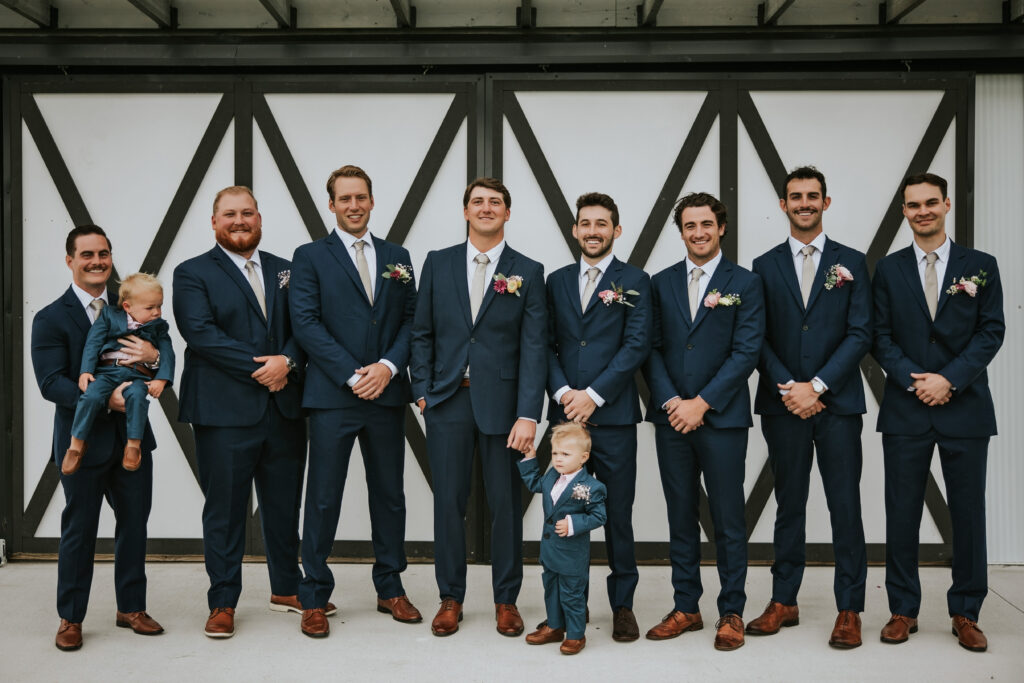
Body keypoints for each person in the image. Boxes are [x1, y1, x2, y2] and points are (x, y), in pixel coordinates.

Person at [173, 186, 313, 639]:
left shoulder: (287, 269)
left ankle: (287, 589)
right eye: (230, 214)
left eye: (247, 213)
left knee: (283, 505)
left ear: (259, 218)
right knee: (226, 510)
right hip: (223, 411)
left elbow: (306, 325)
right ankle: (222, 601)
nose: (240, 221)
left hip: (285, 409)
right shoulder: (191, 272)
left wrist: (287, 362)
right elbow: (201, 334)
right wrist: (266, 368)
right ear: (214, 222)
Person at [873, 172, 1004, 653]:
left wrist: (949, 379)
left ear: (947, 205)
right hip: (906, 410)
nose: (922, 211)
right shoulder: (887, 270)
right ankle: (902, 609)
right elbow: (879, 337)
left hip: (965, 407)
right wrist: (916, 381)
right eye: (913, 205)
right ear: (904, 212)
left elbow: (991, 331)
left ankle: (966, 611)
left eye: (931, 202)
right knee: (901, 513)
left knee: (968, 514)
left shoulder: (981, 266)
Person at [410, 177, 546, 638]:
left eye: (495, 203)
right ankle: (451, 597)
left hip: (505, 407)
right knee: (448, 502)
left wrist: (529, 413)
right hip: (447, 401)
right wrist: (423, 391)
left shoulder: (528, 269)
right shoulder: (438, 263)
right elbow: (422, 332)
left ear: (508, 213)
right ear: (464, 210)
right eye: (477, 202)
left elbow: (534, 347)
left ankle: (506, 599)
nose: (486, 208)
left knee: (507, 504)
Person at [290, 165, 421, 638]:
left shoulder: (397, 256)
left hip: (386, 394)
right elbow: (305, 323)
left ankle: (390, 587)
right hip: (332, 396)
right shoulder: (309, 256)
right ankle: (314, 596)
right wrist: (350, 374)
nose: (353, 205)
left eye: (361, 197)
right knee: (323, 497)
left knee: (389, 495)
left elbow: (412, 320)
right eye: (344, 198)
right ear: (331, 205)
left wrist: (387, 367)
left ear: (371, 201)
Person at [748, 166, 870, 648]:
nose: (804, 203)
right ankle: (784, 600)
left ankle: (850, 608)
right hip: (784, 407)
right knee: (788, 504)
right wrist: (788, 386)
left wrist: (817, 386)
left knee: (845, 505)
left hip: (837, 405)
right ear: (783, 205)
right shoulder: (763, 264)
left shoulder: (853, 263)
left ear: (826, 202)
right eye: (795, 196)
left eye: (812, 196)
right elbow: (756, 335)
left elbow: (861, 332)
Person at [31, 224, 164, 651]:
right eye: (86, 254)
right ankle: (71, 617)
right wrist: (109, 401)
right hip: (82, 443)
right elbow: (52, 383)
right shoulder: (50, 317)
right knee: (80, 529)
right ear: (69, 260)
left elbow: (157, 356)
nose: (97, 262)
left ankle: (131, 608)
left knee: (134, 526)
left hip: (133, 440)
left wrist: (154, 357)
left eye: (103, 254)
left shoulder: (133, 309)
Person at [642, 192, 764, 651]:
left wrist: (703, 402)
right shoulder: (660, 282)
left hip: (723, 418)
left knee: (730, 518)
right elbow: (649, 347)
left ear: (721, 228)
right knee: (680, 514)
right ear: (681, 231)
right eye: (690, 225)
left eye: (706, 224)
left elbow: (746, 351)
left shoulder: (746, 283)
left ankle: (731, 610)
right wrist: (674, 400)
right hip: (671, 417)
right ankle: (686, 606)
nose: (698, 232)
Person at [544, 191, 651, 641]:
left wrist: (595, 395)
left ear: (616, 230)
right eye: (585, 223)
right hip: (566, 419)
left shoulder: (637, 281)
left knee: (617, 512)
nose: (593, 231)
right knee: (564, 510)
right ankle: (574, 605)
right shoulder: (556, 280)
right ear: (575, 230)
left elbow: (636, 345)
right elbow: (544, 343)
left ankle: (623, 605)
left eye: (601, 224)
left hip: (615, 417)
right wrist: (568, 393)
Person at [65, 272, 175, 474]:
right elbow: (93, 342)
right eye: (150, 307)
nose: (157, 312)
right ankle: (76, 444)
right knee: (91, 396)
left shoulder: (159, 327)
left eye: (159, 306)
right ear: (127, 306)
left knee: (137, 398)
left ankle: (133, 445)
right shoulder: (109, 316)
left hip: (137, 375)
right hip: (107, 372)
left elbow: (167, 353)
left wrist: (161, 379)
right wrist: (86, 371)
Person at [519, 424, 607, 655]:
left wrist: (574, 524)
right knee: (551, 591)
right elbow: (534, 484)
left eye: (565, 454)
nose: (558, 459)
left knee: (572, 595)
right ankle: (554, 626)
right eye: (556, 453)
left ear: (583, 457)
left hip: (571, 555)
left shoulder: (591, 487)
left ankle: (576, 635)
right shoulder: (551, 477)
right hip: (550, 553)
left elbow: (599, 516)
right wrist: (530, 458)